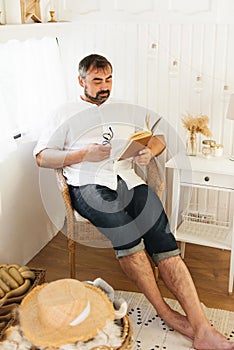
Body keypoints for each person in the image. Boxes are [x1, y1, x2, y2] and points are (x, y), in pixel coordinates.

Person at [34, 54, 234, 350]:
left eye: (109, 79)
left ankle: (201, 326)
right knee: (130, 241)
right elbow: (41, 157)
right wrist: (81, 155)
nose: (105, 87)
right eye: (97, 81)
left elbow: (160, 135)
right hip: (88, 186)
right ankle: (166, 314)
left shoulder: (126, 108)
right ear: (81, 81)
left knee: (165, 243)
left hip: (128, 180)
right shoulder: (63, 113)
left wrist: (150, 151)